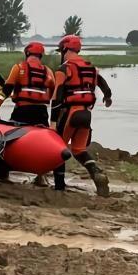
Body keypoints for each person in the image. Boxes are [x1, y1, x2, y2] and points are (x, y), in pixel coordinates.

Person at [51, 35, 112, 196]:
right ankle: (96, 173)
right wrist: (107, 97)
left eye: (61, 51)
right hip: (86, 113)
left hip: (70, 112)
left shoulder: (64, 69)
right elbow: (104, 85)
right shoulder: (91, 67)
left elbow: (57, 97)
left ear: (65, 49)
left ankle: (59, 186)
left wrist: (52, 121)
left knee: (59, 149)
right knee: (78, 150)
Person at [0, 41, 54, 186]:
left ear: (27, 54)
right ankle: (42, 176)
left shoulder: (18, 68)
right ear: (41, 56)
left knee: (9, 139)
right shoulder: (48, 71)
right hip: (41, 112)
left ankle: (3, 172)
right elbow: (53, 92)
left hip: (22, 110)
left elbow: (6, 89)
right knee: (42, 143)